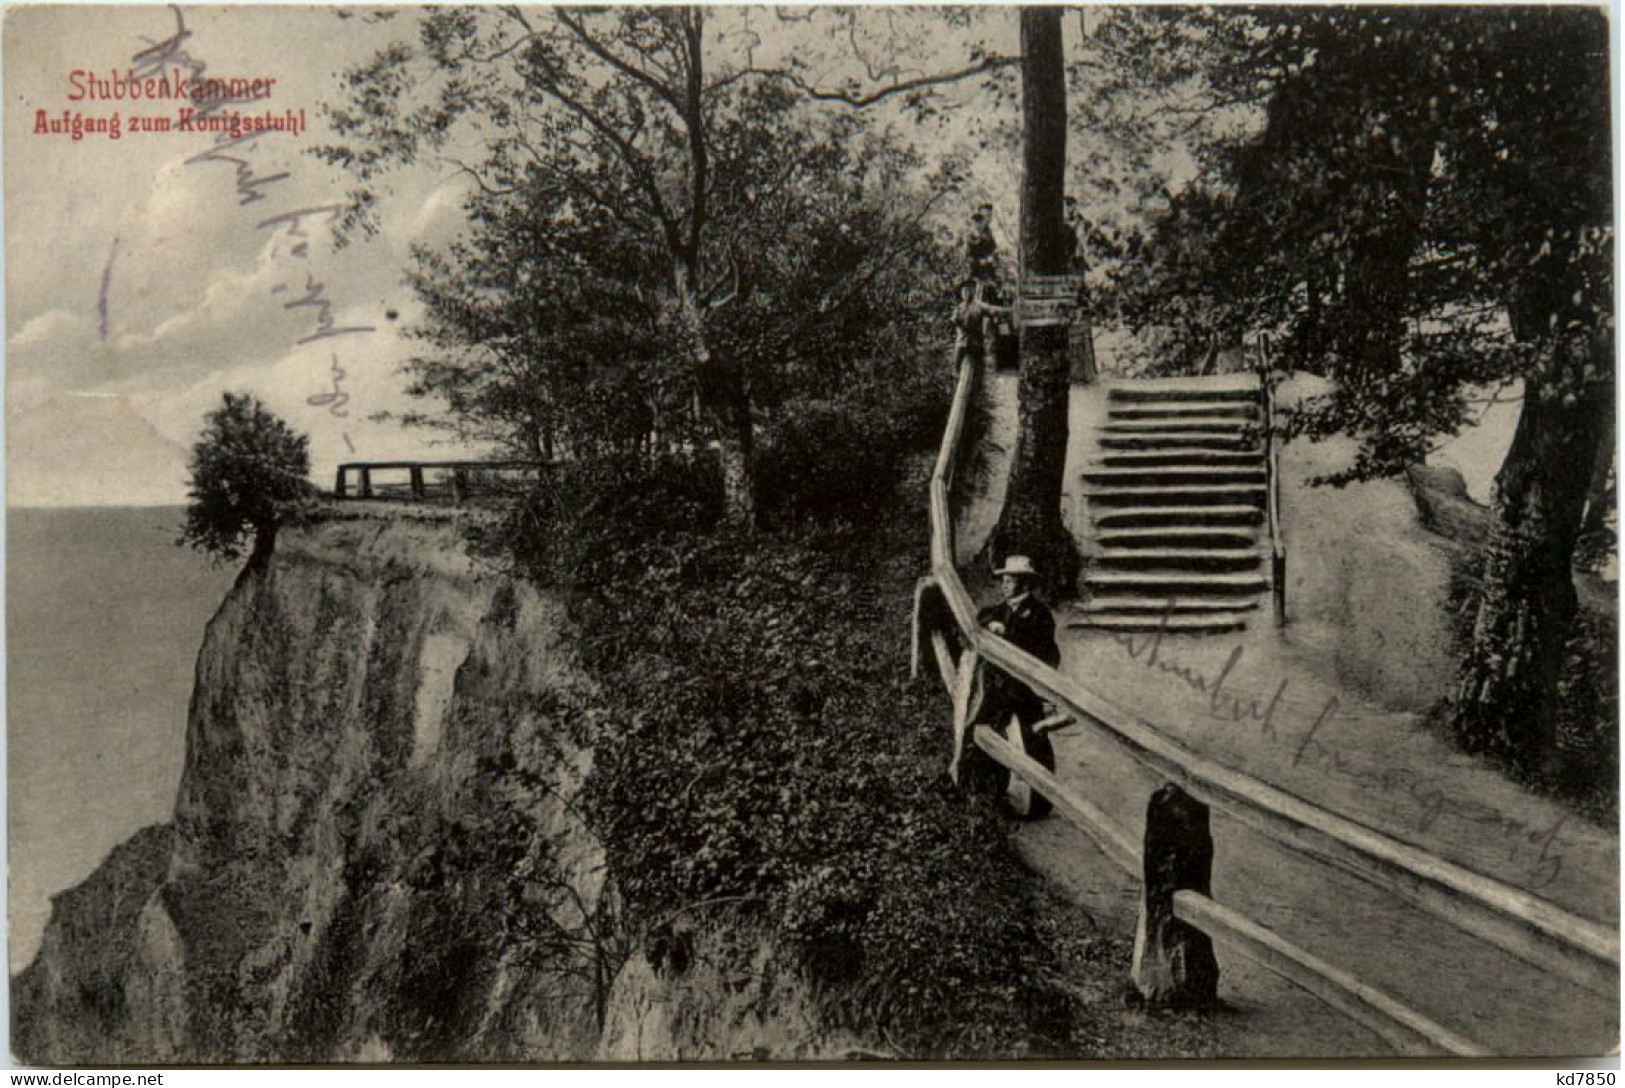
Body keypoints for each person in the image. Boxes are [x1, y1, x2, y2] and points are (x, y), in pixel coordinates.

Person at [967, 555, 1061, 817]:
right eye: (1004, 581)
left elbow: (1043, 650)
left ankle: (1041, 802)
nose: (1004, 585)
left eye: (1010, 581)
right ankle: (992, 794)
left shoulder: (1039, 614)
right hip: (1004, 684)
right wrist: (992, 623)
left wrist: (1007, 631)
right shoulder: (1005, 608)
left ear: (1024, 584)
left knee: (1035, 737)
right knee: (990, 730)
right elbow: (982, 615)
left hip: (1026, 686)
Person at [965, 208, 999, 285]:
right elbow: (968, 255)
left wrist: (991, 257)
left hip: (987, 269)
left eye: (980, 224)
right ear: (972, 224)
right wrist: (979, 261)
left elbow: (993, 249)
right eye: (976, 224)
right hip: (974, 269)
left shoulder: (987, 237)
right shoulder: (970, 238)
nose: (978, 227)